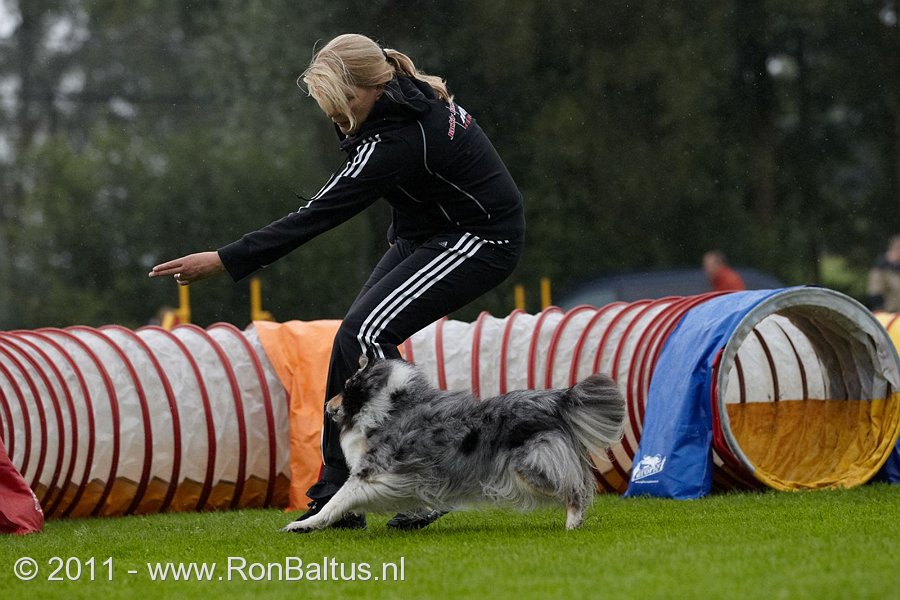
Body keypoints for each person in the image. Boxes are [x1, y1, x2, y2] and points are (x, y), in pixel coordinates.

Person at [149, 34, 525, 531]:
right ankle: (334, 494)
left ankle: (435, 474)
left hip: (480, 238)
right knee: (352, 339)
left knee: (367, 334)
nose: (337, 118)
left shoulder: (398, 140)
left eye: (344, 104)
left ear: (373, 86)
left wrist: (224, 258)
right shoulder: (400, 99)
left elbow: (317, 215)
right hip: (427, 234)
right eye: (328, 107)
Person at [866, 235, 900, 312]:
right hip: (887, 312)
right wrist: (880, 309)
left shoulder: (897, 266)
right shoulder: (880, 268)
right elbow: (875, 291)